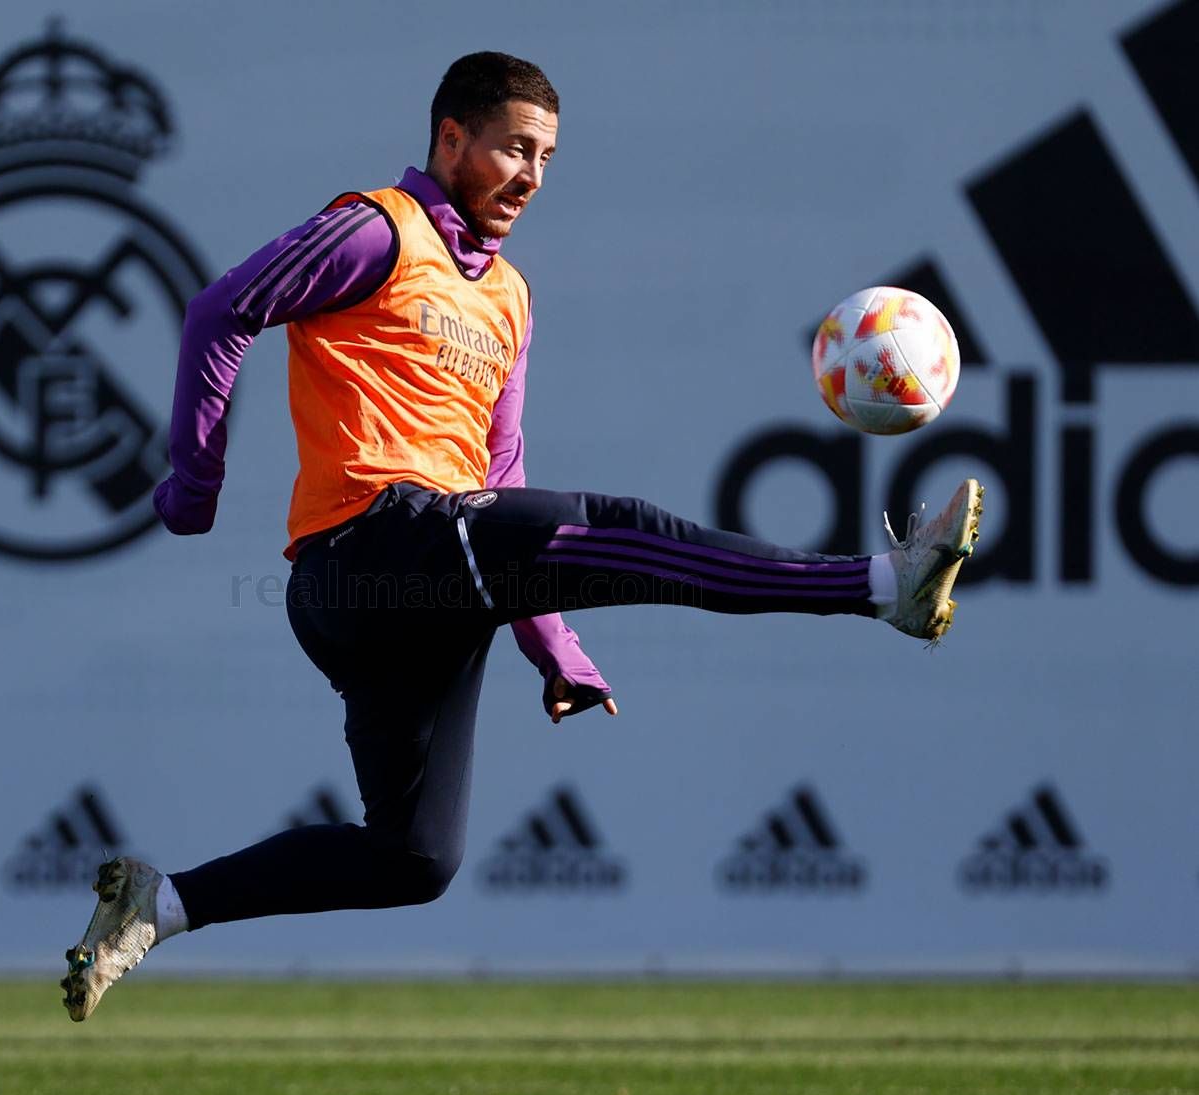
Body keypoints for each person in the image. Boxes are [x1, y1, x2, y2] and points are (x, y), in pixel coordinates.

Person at [60, 51, 984, 1021]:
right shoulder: (376, 230)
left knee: (413, 857)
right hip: (368, 544)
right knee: (618, 529)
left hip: (428, 586)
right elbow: (222, 309)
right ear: (452, 138)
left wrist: (555, 645)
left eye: (546, 156)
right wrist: (195, 482)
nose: (532, 175)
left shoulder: (508, 296)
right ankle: (882, 584)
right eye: (514, 148)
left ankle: (157, 904)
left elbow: (501, 480)